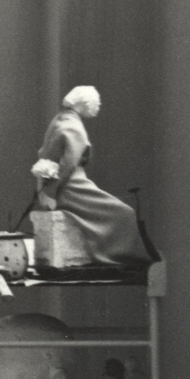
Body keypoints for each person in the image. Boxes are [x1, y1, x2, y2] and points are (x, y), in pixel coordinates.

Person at [31, 85, 152, 268]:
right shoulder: (73, 126)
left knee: (117, 211)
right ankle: (122, 256)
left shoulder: (60, 119)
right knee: (125, 213)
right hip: (70, 186)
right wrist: (52, 191)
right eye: (96, 102)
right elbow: (69, 164)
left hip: (61, 185)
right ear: (84, 103)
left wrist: (47, 188)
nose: (98, 106)